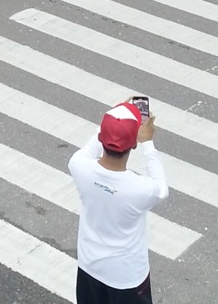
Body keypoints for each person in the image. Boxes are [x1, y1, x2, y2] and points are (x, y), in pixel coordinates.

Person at [68, 99, 168, 304]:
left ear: (101, 137)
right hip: (126, 278)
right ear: (133, 144)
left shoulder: (79, 167)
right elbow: (161, 187)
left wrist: (115, 114)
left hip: (89, 268)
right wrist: (147, 142)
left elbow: (92, 145)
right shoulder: (141, 189)